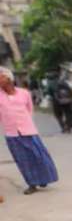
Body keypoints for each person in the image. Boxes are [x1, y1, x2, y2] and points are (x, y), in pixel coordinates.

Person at [0, 67, 59, 195]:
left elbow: (29, 109)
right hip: (12, 134)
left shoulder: (24, 93)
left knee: (39, 156)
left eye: (0, 77)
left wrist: (26, 123)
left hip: (28, 130)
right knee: (23, 161)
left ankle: (43, 178)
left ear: (8, 78)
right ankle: (32, 183)